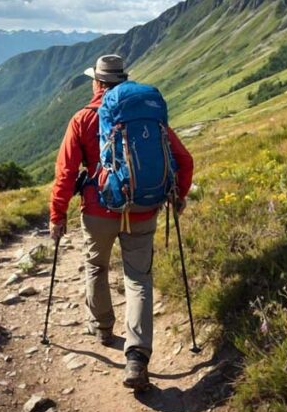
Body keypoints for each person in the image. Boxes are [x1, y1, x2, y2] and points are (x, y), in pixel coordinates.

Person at [49, 54, 194, 390]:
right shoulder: (146, 116)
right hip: (143, 209)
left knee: (96, 266)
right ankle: (137, 357)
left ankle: (102, 328)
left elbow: (66, 173)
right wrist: (178, 195)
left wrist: (57, 216)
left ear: (97, 82)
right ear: (123, 81)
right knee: (139, 279)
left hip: (98, 213)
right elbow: (184, 160)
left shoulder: (83, 118)